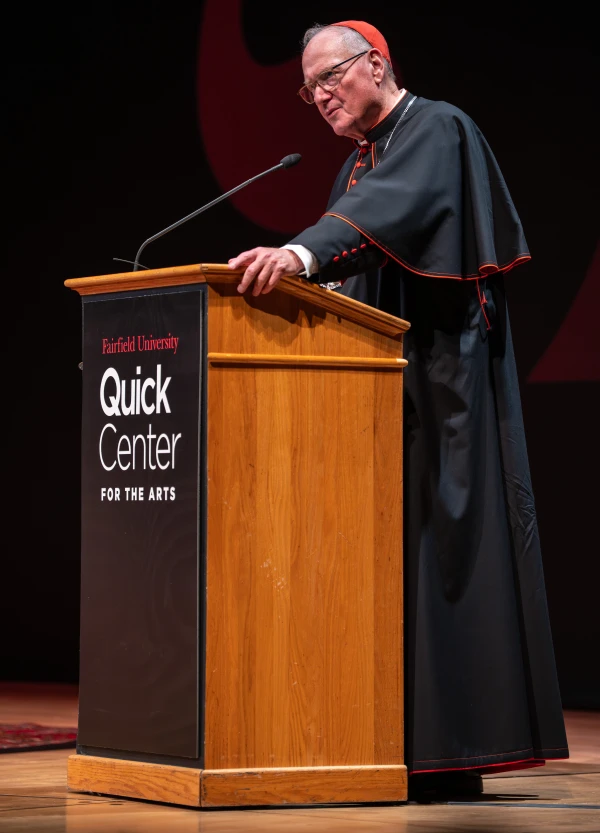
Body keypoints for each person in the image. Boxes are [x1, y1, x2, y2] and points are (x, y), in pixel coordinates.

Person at [228, 20, 569, 797]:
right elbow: (356, 263)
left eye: (330, 78)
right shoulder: (358, 164)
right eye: (308, 88)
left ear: (375, 64)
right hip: (383, 393)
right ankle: (393, 740)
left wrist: (300, 255)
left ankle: (455, 747)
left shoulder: (436, 127)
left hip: (449, 391)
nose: (318, 97)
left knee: (446, 550)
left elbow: (386, 214)